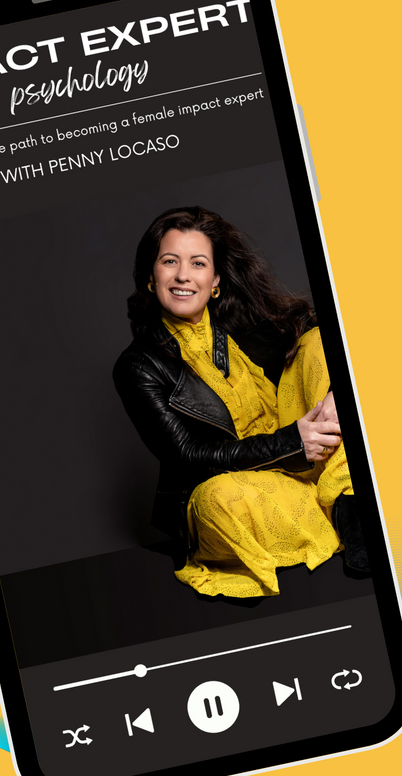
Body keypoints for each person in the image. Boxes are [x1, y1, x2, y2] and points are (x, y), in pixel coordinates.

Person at [111, 205, 368, 597]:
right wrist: (292, 442)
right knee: (212, 501)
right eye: (170, 261)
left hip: (315, 455)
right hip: (246, 485)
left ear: (214, 280)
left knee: (319, 344)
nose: (183, 275)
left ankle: (349, 501)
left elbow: (331, 329)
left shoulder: (241, 321)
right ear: (151, 275)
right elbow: (188, 456)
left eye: (198, 263)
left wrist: (336, 394)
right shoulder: (139, 366)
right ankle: (348, 513)